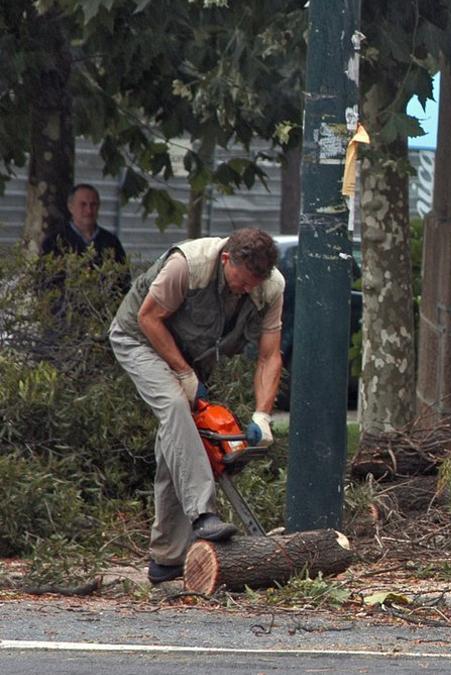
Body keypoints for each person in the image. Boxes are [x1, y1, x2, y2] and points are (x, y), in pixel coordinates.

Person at [108, 228, 285, 584]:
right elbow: (148, 318)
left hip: (188, 350)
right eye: (242, 279)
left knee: (177, 440)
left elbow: (269, 356)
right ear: (226, 261)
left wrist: (263, 415)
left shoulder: (271, 287)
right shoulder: (187, 266)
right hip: (140, 338)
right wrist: (185, 374)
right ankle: (204, 514)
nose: (247, 288)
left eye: (255, 282)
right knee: (175, 406)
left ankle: (167, 559)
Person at [40, 183, 130, 295]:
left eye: (93, 205)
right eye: (83, 204)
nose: (89, 210)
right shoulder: (53, 242)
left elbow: (124, 282)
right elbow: (43, 284)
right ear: (70, 207)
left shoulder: (111, 242)